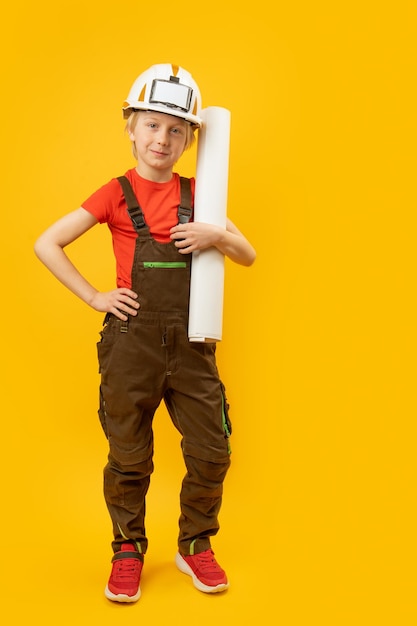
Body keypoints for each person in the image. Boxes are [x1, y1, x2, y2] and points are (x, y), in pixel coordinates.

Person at [34, 63, 256, 603]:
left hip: (193, 342)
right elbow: (47, 243)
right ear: (131, 127)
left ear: (190, 139)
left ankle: (195, 542)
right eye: (152, 125)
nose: (163, 138)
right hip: (130, 342)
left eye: (176, 129)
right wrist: (94, 297)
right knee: (129, 454)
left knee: (212, 449)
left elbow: (247, 255)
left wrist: (215, 234)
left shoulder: (202, 195)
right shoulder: (114, 193)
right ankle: (127, 549)